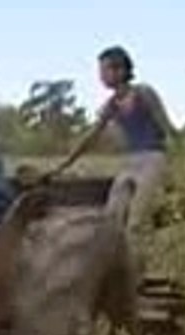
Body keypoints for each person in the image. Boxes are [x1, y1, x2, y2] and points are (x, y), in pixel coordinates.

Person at [51, 46, 178, 264]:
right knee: (111, 220)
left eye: (105, 70)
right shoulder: (111, 105)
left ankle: (134, 272)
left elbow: (167, 128)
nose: (101, 76)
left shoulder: (143, 93)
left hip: (153, 158)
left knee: (136, 223)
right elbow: (90, 137)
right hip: (131, 162)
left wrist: (177, 163)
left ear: (120, 71)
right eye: (100, 71)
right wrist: (64, 164)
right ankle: (113, 268)